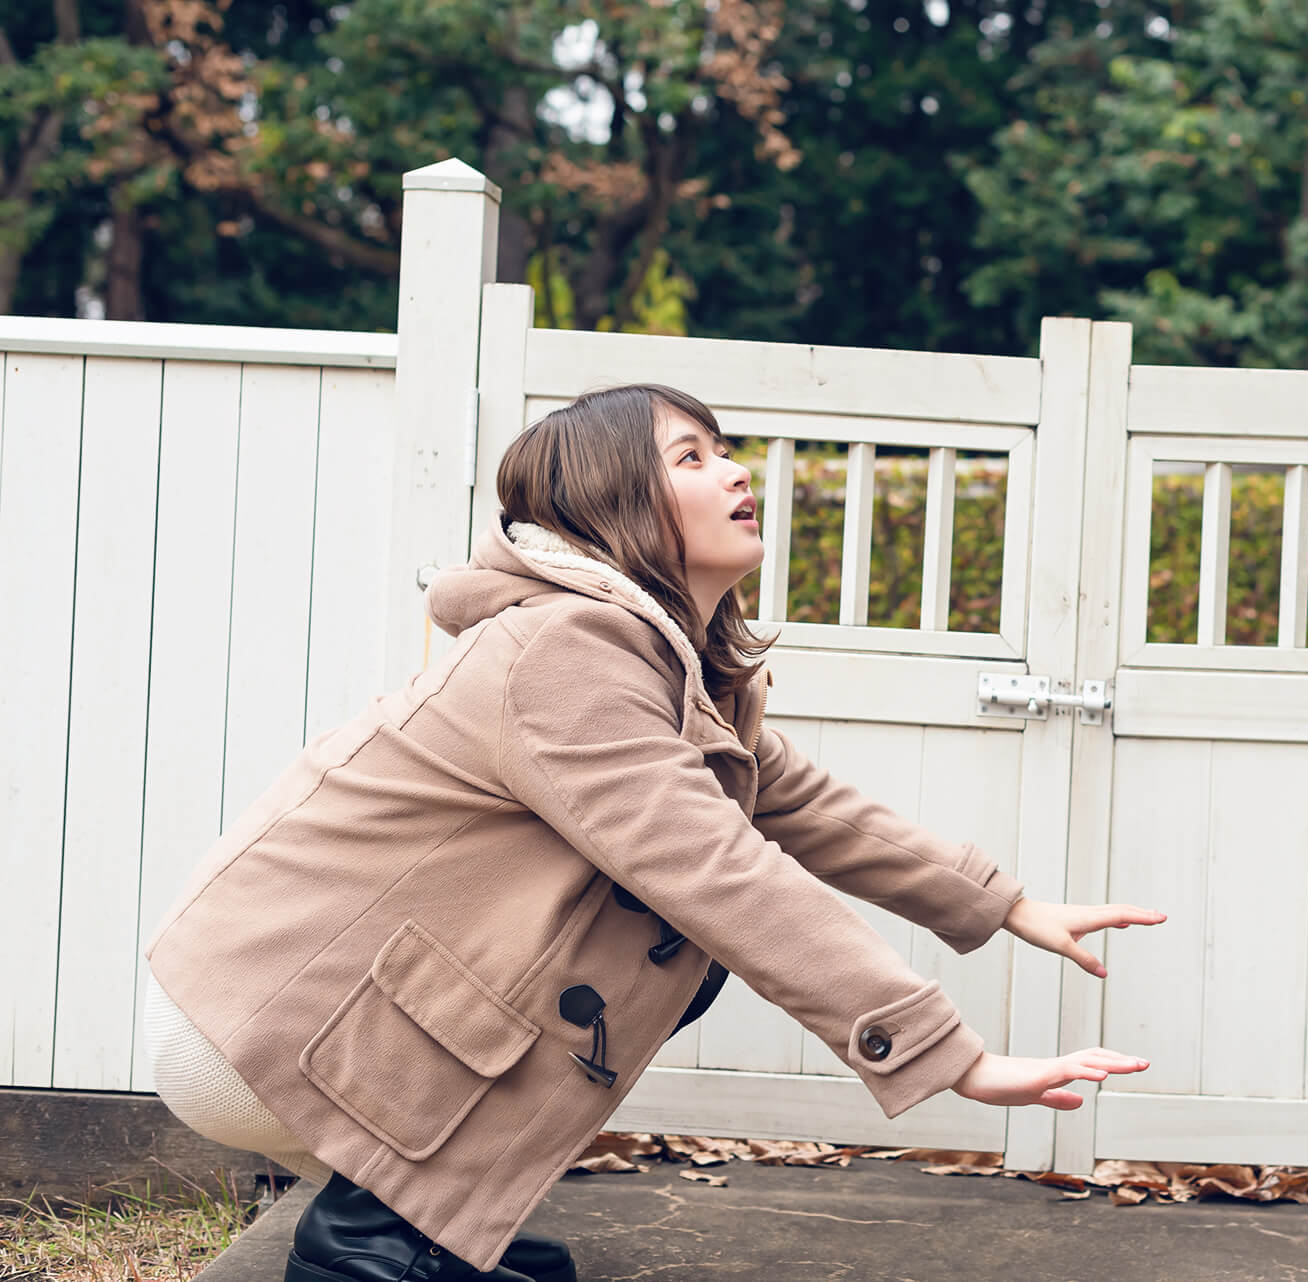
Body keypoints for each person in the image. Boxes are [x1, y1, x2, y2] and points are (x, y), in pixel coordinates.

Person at [143, 382, 1164, 1282]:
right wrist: (943, 1052)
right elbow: (719, 873)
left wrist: (1008, 904)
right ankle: (371, 1241)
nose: (733, 469)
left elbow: (801, 803)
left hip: (317, 1019)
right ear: (613, 502)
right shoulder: (567, 646)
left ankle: (418, 1221)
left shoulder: (655, 658)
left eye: (722, 448)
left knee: (682, 952)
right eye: (691, 456)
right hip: (264, 1030)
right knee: (687, 928)